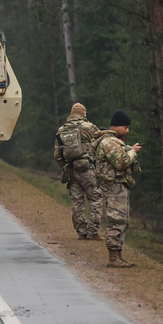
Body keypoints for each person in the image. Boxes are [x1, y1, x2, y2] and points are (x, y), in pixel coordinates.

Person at [94, 109, 142, 268]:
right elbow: (121, 162)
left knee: (122, 220)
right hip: (113, 186)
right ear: (116, 125)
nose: (127, 131)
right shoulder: (109, 142)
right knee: (116, 219)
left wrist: (129, 149)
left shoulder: (114, 141)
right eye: (125, 127)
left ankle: (118, 256)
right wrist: (133, 153)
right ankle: (114, 257)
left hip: (118, 185)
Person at [54, 103, 103, 241]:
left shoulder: (61, 130)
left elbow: (57, 155)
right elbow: (101, 147)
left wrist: (65, 166)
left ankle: (81, 231)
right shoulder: (90, 127)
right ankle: (93, 231)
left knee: (77, 201)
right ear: (83, 113)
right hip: (88, 168)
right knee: (95, 198)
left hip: (71, 170)